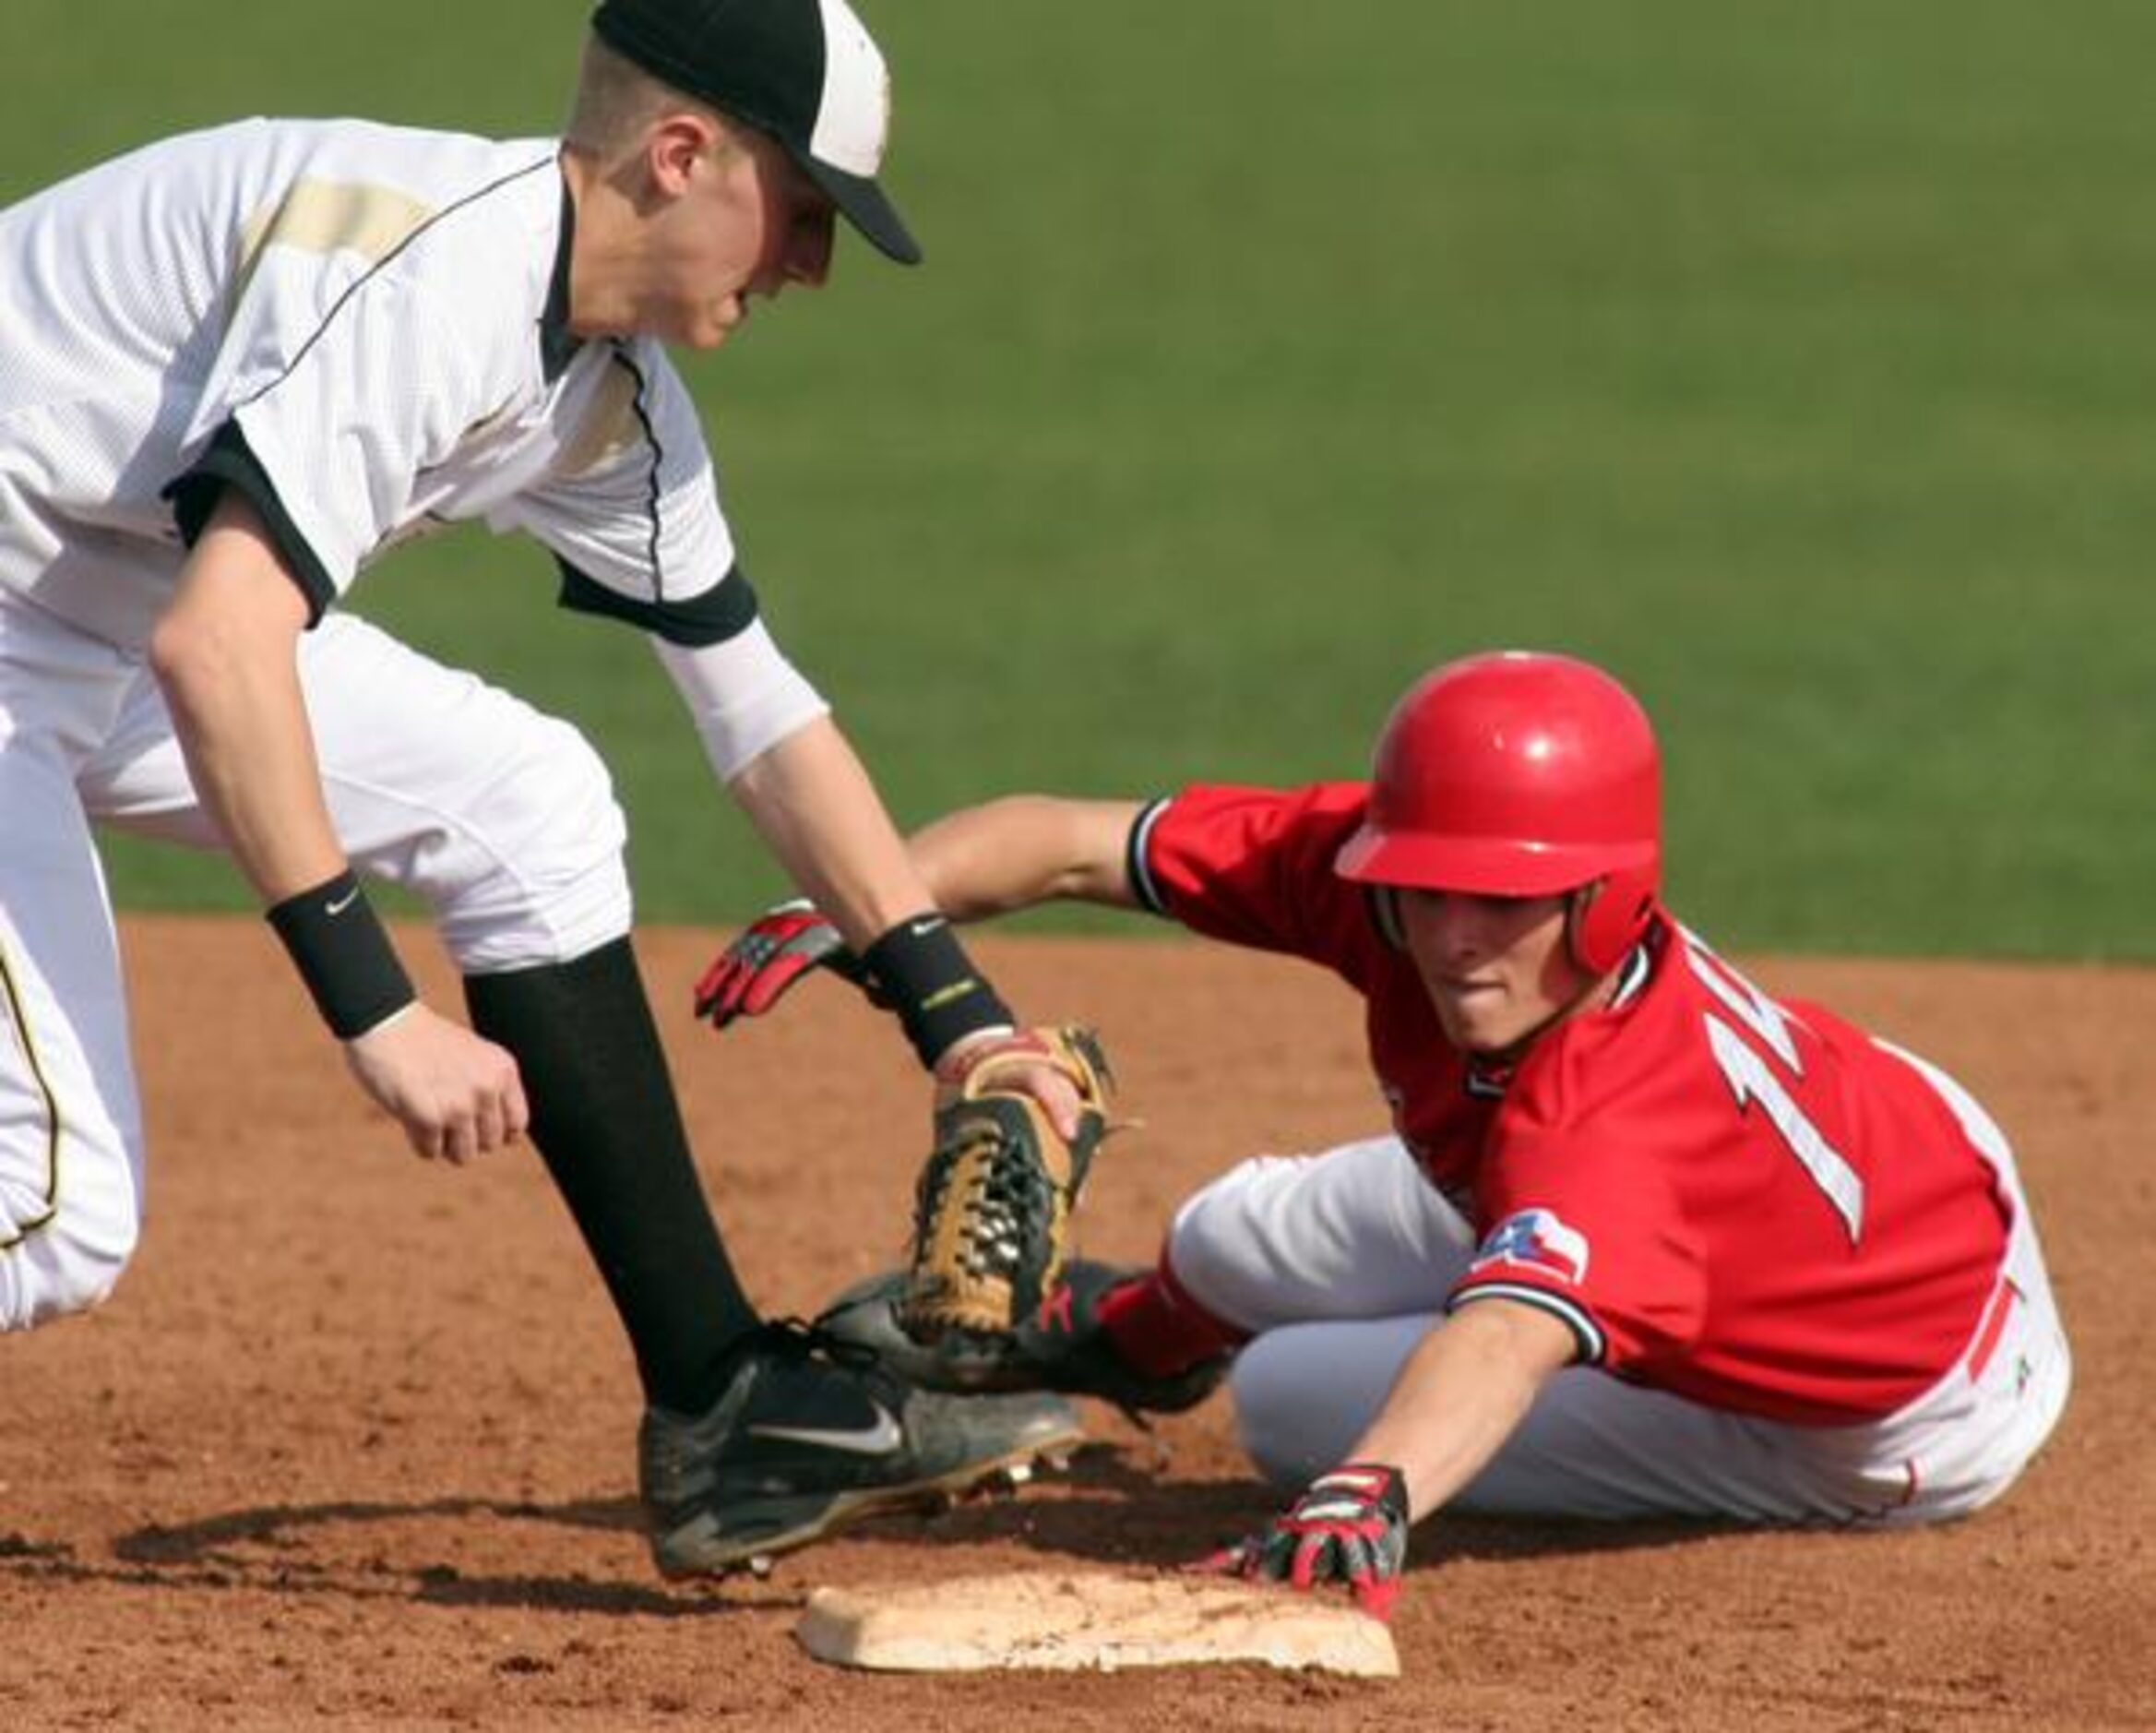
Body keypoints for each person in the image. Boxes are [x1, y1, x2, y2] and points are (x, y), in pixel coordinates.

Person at [0, 0, 1088, 1580]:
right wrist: (379, 1014)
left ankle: (727, 1408)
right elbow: (221, 645)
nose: (807, 267)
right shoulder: (431, 277)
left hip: (74, 601)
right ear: (679, 152)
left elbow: (759, 712)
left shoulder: (607, 395)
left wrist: (962, 1020)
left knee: (534, 801)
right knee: (58, 1201)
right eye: (801, 214)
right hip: (56, 616)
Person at [698, 649, 2073, 1619]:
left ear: (1608, 896)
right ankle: (1127, 1336)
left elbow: (1498, 1339)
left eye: (1504, 902)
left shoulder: (1615, 1129)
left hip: (1898, 1388)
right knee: (1233, 1233)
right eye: (1429, 888)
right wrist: (873, 907)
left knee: (1300, 1405)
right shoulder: (1384, 880)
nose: (1455, 936)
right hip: (1896, 1150)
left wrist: (1364, 1498)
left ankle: (1213, 1370)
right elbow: (1064, 840)